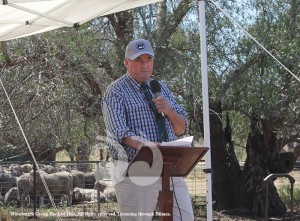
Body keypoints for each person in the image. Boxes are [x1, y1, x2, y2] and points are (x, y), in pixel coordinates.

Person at [102, 39, 194, 221]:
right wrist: (147, 146)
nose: (144, 65)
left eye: (148, 60)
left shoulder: (160, 88)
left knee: (185, 218)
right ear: (126, 63)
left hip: (170, 167)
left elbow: (181, 128)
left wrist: (168, 110)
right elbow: (119, 132)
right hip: (135, 169)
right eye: (138, 60)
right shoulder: (115, 91)